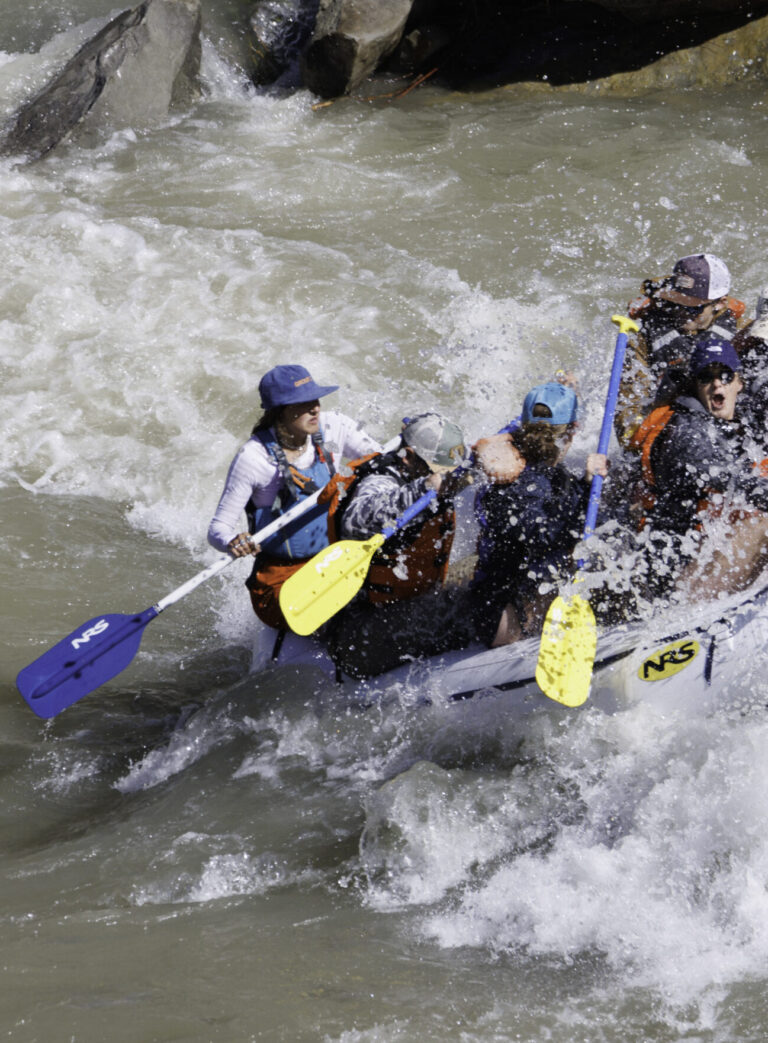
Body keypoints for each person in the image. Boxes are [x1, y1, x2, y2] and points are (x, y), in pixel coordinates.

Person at [207, 364, 382, 630]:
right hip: (284, 579)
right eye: (303, 403)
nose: (315, 408)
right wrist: (234, 541)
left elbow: (382, 463)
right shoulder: (254, 458)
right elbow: (217, 529)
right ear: (281, 412)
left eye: (315, 399)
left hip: (336, 559)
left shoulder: (334, 427)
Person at [321, 412, 475, 678]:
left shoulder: (430, 469)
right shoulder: (381, 481)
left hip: (412, 600)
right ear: (409, 456)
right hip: (363, 632)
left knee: (487, 569)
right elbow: (354, 521)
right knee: (474, 607)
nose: (446, 479)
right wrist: (424, 487)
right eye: (437, 471)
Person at [629, 336, 768, 599]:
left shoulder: (740, 420)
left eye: (725, 375)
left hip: (705, 556)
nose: (717, 383)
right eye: (706, 376)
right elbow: (729, 479)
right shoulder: (686, 432)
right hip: (674, 578)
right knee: (763, 523)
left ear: (739, 382)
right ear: (695, 384)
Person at [471, 382, 608, 646]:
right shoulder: (522, 480)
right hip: (505, 607)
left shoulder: (522, 465)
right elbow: (543, 535)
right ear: (572, 432)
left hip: (510, 589)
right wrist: (588, 488)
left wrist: (585, 487)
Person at [615, 253, 747, 446]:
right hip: (671, 431)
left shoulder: (742, 333)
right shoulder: (643, 336)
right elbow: (627, 413)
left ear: (720, 303)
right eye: (677, 304)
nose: (682, 314)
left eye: (694, 309)